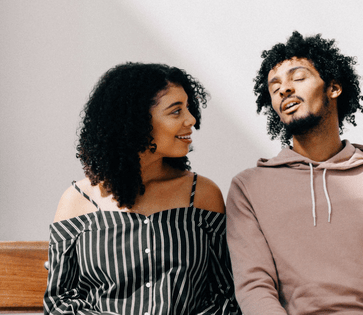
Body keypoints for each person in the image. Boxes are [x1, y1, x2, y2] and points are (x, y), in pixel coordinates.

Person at [226, 31, 363, 314]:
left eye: (298, 78)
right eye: (275, 86)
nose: (284, 90)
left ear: (333, 87)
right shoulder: (248, 187)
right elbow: (254, 288)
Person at [44, 63, 240, 315]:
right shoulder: (77, 200)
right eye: (175, 111)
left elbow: (225, 296)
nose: (191, 120)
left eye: (188, 108)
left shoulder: (202, 194)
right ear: (135, 122)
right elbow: (59, 301)